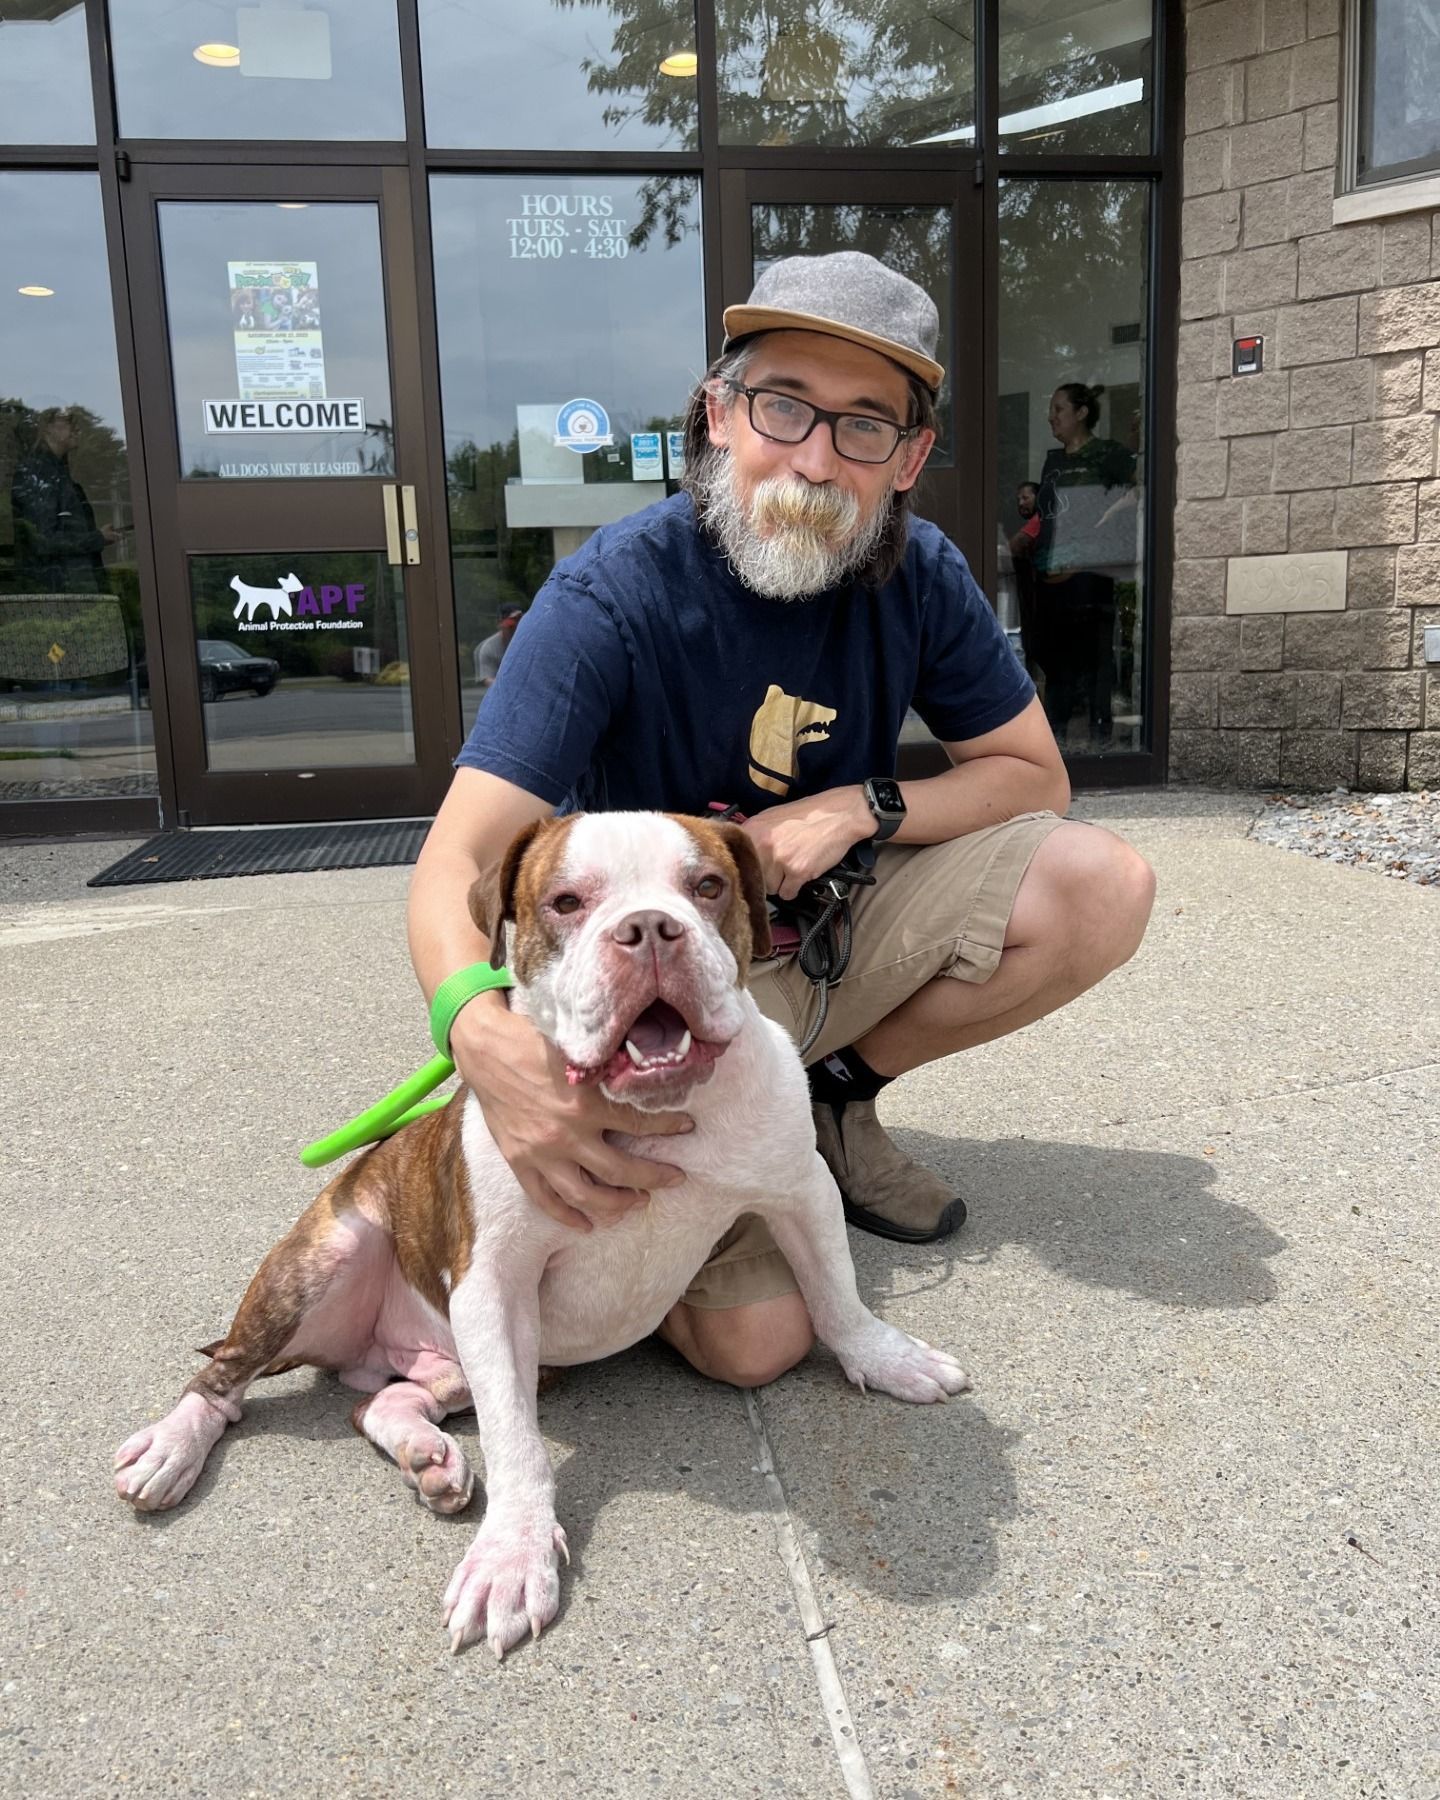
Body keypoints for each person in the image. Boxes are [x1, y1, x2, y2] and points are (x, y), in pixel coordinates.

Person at [408, 252, 1155, 1390]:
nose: (815, 456)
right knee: (757, 1348)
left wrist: (865, 805)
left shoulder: (921, 575)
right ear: (719, 414)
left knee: (1102, 884)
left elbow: (1031, 777)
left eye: (864, 427)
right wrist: (485, 1041)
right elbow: (451, 863)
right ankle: (720, 1160)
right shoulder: (614, 591)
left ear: (907, 461)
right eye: (784, 405)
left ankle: (832, 1099)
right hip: (662, 978)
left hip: (834, 936)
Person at [1030, 383, 1138, 750]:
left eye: (1059, 409)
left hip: (1092, 570)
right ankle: (1056, 736)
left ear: (1082, 413)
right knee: (1055, 657)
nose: (1052, 417)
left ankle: (1098, 734)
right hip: (1052, 568)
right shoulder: (1054, 462)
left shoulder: (1109, 455)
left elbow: (1138, 489)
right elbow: (1047, 514)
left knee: (1094, 654)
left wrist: (1110, 517)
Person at [9, 407, 119, 594]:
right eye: (68, 421)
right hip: (56, 590)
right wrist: (96, 538)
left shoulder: (58, 474)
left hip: (70, 585)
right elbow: (44, 540)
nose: (77, 428)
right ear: (47, 429)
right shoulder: (37, 473)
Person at [472, 604, 524, 689]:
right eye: (511, 627)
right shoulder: (488, 648)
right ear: (500, 625)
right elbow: (488, 680)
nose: (516, 630)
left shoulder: (531, 644)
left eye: (520, 626)